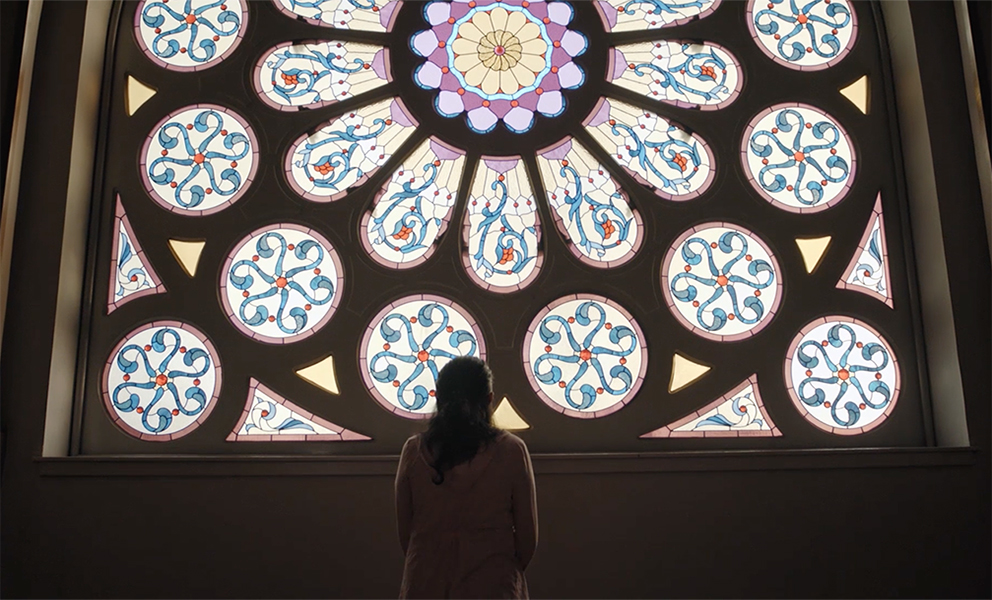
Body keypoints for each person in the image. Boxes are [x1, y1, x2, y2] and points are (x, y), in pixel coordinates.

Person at [394, 356, 538, 599]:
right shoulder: (512, 451)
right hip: (494, 584)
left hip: (426, 583)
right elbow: (527, 540)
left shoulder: (413, 452)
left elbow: (405, 533)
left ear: (438, 399)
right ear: (489, 400)